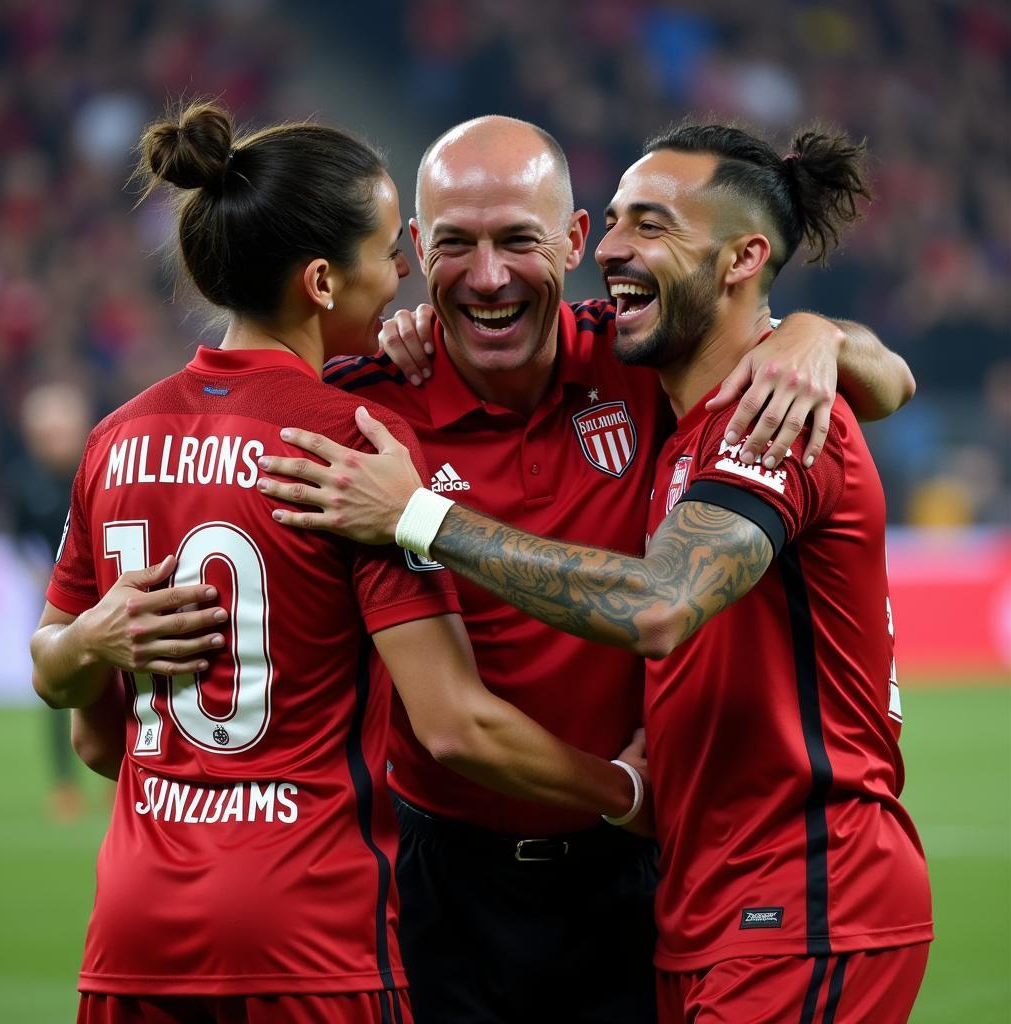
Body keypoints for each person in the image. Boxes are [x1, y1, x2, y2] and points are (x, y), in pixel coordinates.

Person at [256, 122, 933, 1023]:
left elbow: (878, 379)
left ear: (570, 244)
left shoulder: (669, 370)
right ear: (417, 253)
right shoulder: (369, 409)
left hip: (670, 875)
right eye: (455, 243)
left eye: (519, 241)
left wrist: (816, 335)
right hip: (456, 877)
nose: (489, 276)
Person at [29, 101, 651, 1024]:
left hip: (134, 921)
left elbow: (93, 737)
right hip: (311, 924)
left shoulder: (117, 439)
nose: (403, 280)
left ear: (571, 240)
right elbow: (453, 725)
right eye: (393, 255)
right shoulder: (351, 441)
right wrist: (627, 789)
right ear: (323, 280)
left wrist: (94, 653)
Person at [7, 381, 95, 821]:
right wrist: (40, 575)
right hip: (53, 599)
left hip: (99, 591)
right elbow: (20, 541)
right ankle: (64, 784)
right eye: (45, 434)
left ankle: (124, 776)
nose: (53, 441)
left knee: (119, 681)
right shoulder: (24, 482)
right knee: (56, 685)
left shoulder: (93, 468)